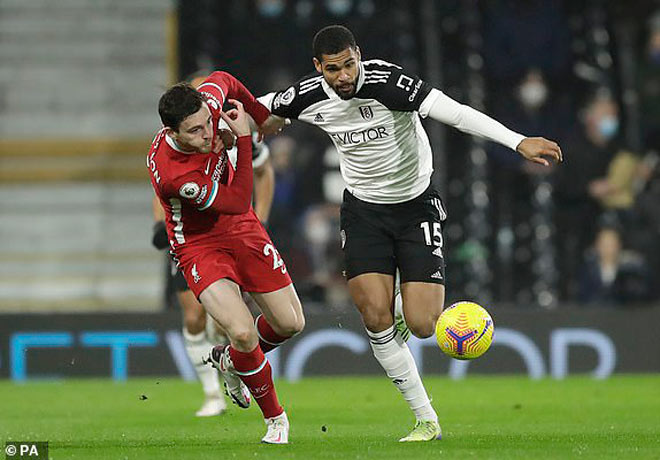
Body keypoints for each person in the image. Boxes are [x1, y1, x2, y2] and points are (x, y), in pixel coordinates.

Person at [259, 25, 561, 442]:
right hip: (363, 212)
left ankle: (404, 308)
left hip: (414, 206)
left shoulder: (389, 82)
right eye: (334, 69)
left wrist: (517, 140)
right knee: (374, 316)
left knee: (422, 324)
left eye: (350, 64)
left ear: (358, 55)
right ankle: (426, 419)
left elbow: (455, 112)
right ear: (319, 68)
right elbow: (255, 109)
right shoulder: (307, 96)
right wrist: (238, 125)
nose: (345, 75)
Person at [147, 72, 305, 444]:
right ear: (172, 133)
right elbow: (234, 202)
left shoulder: (208, 105)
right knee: (242, 331)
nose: (207, 133)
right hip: (200, 244)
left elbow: (224, 79)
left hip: (243, 231)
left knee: (291, 323)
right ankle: (276, 420)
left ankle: (232, 360)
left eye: (207, 122)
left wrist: (258, 116)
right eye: (195, 132)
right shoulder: (175, 174)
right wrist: (246, 138)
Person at [151, 133, 274, 417]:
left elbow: (264, 171)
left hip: (235, 235)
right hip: (190, 239)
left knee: (224, 326)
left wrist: (262, 219)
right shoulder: (177, 141)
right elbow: (161, 186)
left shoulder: (238, 132)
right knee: (194, 316)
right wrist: (159, 223)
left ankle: (228, 362)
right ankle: (212, 394)